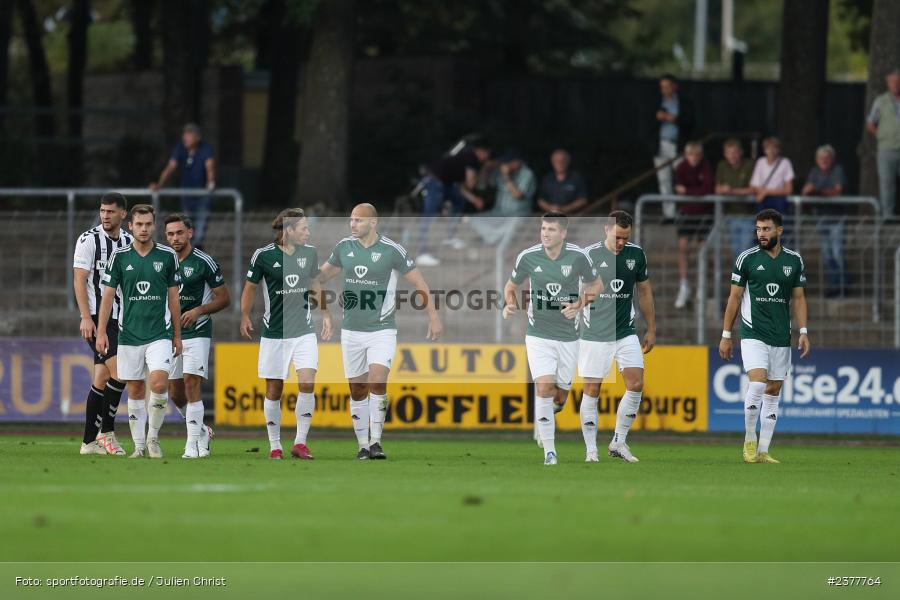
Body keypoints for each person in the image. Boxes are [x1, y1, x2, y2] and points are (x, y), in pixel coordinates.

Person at [317, 204, 443, 460]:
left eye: (358, 221)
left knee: (377, 381)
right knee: (357, 390)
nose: (352, 225)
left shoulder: (392, 250)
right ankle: (362, 445)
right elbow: (318, 279)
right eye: (350, 220)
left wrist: (433, 316)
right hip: (351, 331)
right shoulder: (344, 248)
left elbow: (419, 282)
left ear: (373, 223)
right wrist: (325, 313)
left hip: (381, 329)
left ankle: (376, 442)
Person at [502, 212, 600, 465]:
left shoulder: (579, 256)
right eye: (543, 228)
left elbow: (597, 286)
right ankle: (550, 452)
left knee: (560, 399)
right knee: (544, 387)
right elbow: (510, 286)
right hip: (538, 336)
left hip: (569, 338)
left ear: (563, 233)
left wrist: (579, 304)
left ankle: (544, 416)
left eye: (552, 229)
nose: (545, 233)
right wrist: (509, 304)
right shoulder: (528, 256)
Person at [719, 209, 810, 464]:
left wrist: (803, 332)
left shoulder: (794, 261)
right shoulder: (746, 259)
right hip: (753, 332)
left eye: (766, 229)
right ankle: (749, 439)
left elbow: (800, 298)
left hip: (781, 335)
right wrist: (726, 334)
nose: (761, 234)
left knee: (773, 390)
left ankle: (763, 450)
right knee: (758, 384)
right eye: (758, 229)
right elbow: (734, 298)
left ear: (779, 230)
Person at [240, 208, 332, 460]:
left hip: (303, 331)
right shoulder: (263, 256)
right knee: (274, 389)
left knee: (306, 383)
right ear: (289, 231)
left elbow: (315, 284)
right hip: (274, 333)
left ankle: (300, 443)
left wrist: (325, 314)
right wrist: (245, 315)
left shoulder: (309, 253)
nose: (308, 233)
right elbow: (249, 288)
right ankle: (275, 445)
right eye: (304, 228)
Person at [95, 204, 182, 459]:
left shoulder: (167, 256)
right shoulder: (120, 257)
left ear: (154, 226)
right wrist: (101, 332)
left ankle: (153, 439)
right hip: (129, 334)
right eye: (139, 224)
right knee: (134, 389)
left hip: (160, 333)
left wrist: (177, 334)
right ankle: (139, 446)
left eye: (148, 224)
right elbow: (107, 296)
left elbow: (174, 298)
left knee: (158, 382)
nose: (144, 229)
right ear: (130, 226)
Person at [579, 210, 656, 463]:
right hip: (595, 334)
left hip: (625, 332)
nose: (621, 242)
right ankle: (591, 449)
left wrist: (651, 328)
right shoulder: (589, 256)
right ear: (606, 230)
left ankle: (618, 442)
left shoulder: (636, 254)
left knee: (635, 385)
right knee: (592, 390)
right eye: (617, 237)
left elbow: (644, 292)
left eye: (625, 237)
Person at [72, 193, 133, 456]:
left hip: (122, 318)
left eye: (110, 211)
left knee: (101, 378)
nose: (105, 216)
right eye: (102, 211)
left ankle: (88, 443)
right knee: (121, 372)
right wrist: (86, 317)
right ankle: (107, 434)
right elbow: (79, 279)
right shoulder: (89, 240)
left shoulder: (130, 241)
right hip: (98, 319)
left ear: (123, 215)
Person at [164, 213, 230, 458]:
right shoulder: (161, 260)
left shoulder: (204, 261)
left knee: (192, 383)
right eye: (170, 234)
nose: (175, 238)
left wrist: (199, 310)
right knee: (175, 394)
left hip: (198, 330)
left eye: (179, 232)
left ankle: (192, 445)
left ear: (189, 233)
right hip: (171, 334)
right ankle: (201, 430)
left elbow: (224, 298)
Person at [416, 138, 492, 266]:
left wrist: (474, 199)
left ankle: (450, 238)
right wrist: (484, 170)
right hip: (434, 181)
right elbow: (470, 183)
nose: (487, 157)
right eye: (487, 154)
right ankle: (421, 253)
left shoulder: (465, 158)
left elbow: (461, 188)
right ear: (481, 151)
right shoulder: (472, 157)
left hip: (446, 183)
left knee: (458, 201)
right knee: (429, 215)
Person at [150, 123, 216, 247]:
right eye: (184, 134)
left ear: (197, 137)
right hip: (187, 196)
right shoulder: (180, 148)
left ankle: (197, 258)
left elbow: (210, 166)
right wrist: (159, 184)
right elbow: (170, 167)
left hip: (203, 196)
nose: (185, 137)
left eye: (189, 135)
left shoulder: (206, 149)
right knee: (188, 230)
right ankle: (192, 259)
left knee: (200, 233)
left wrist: (210, 183)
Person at [802, 145, 847, 297]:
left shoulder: (837, 170)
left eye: (827, 158)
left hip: (836, 219)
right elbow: (806, 190)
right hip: (821, 218)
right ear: (816, 160)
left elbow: (837, 190)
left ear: (832, 159)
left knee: (837, 252)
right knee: (827, 255)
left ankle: (842, 285)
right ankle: (833, 285)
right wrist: (809, 191)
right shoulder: (814, 172)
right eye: (821, 158)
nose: (824, 161)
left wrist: (818, 191)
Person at [673, 141, 714, 309]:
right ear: (686, 155)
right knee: (683, 247)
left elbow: (707, 188)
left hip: (703, 212)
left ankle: (701, 286)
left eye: (697, 155)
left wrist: (689, 192)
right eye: (691, 155)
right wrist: (696, 193)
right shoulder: (681, 167)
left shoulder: (706, 167)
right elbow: (677, 188)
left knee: (702, 248)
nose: (694, 158)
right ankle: (684, 285)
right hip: (687, 212)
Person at [471, 149, 537, 244]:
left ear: (517, 161)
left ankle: (495, 236)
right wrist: (486, 169)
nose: (505, 164)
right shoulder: (499, 171)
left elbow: (517, 195)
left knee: (513, 224)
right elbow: (483, 186)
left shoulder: (527, 173)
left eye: (508, 162)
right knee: (474, 219)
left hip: (518, 214)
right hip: (500, 212)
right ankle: (496, 236)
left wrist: (506, 176)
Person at [654, 74, 695, 221]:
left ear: (674, 86)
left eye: (667, 86)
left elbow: (690, 122)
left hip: (678, 145)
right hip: (662, 144)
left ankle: (685, 211)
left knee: (682, 178)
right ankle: (669, 214)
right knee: (664, 180)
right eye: (662, 87)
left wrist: (672, 118)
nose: (664, 90)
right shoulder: (657, 102)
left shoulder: (683, 103)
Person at [865, 68, 900, 217]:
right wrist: (881, 135)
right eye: (892, 82)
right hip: (886, 150)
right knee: (887, 185)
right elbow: (870, 123)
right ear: (887, 83)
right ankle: (888, 217)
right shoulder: (881, 101)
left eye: (898, 82)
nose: (895, 85)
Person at [714, 138, 755, 259]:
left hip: (747, 214)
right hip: (730, 215)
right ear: (725, 154)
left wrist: (731, 191)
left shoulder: (749, 165)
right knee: (735, 250)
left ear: (740, 152)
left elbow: (753, 189)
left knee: (746, 248)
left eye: (734, 152)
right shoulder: (722, 166)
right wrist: (724, 189)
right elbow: (717, 188)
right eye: (729, 153)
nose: (732, 156)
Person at [750, 137, 794, 217]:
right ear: (764, 150)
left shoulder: (785, 162)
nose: (771, 151)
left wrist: (766, 192)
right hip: (763, 201)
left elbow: (788, 190)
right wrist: (764, 193)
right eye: (768, 148)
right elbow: (754, 186)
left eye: (774, 148)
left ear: (779, 150)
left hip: (779, 201)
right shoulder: (760, 162)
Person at [536, 149, 588, 214]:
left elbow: (583, 200)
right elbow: (540, 200)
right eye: (556, 161)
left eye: (562, 161)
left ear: (568, 162)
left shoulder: (576, 178)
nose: (560, 163)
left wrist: (564, 209)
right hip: (552, 217)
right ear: (552, 162)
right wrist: (551, 208)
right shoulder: (547, 178)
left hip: (572, 216)